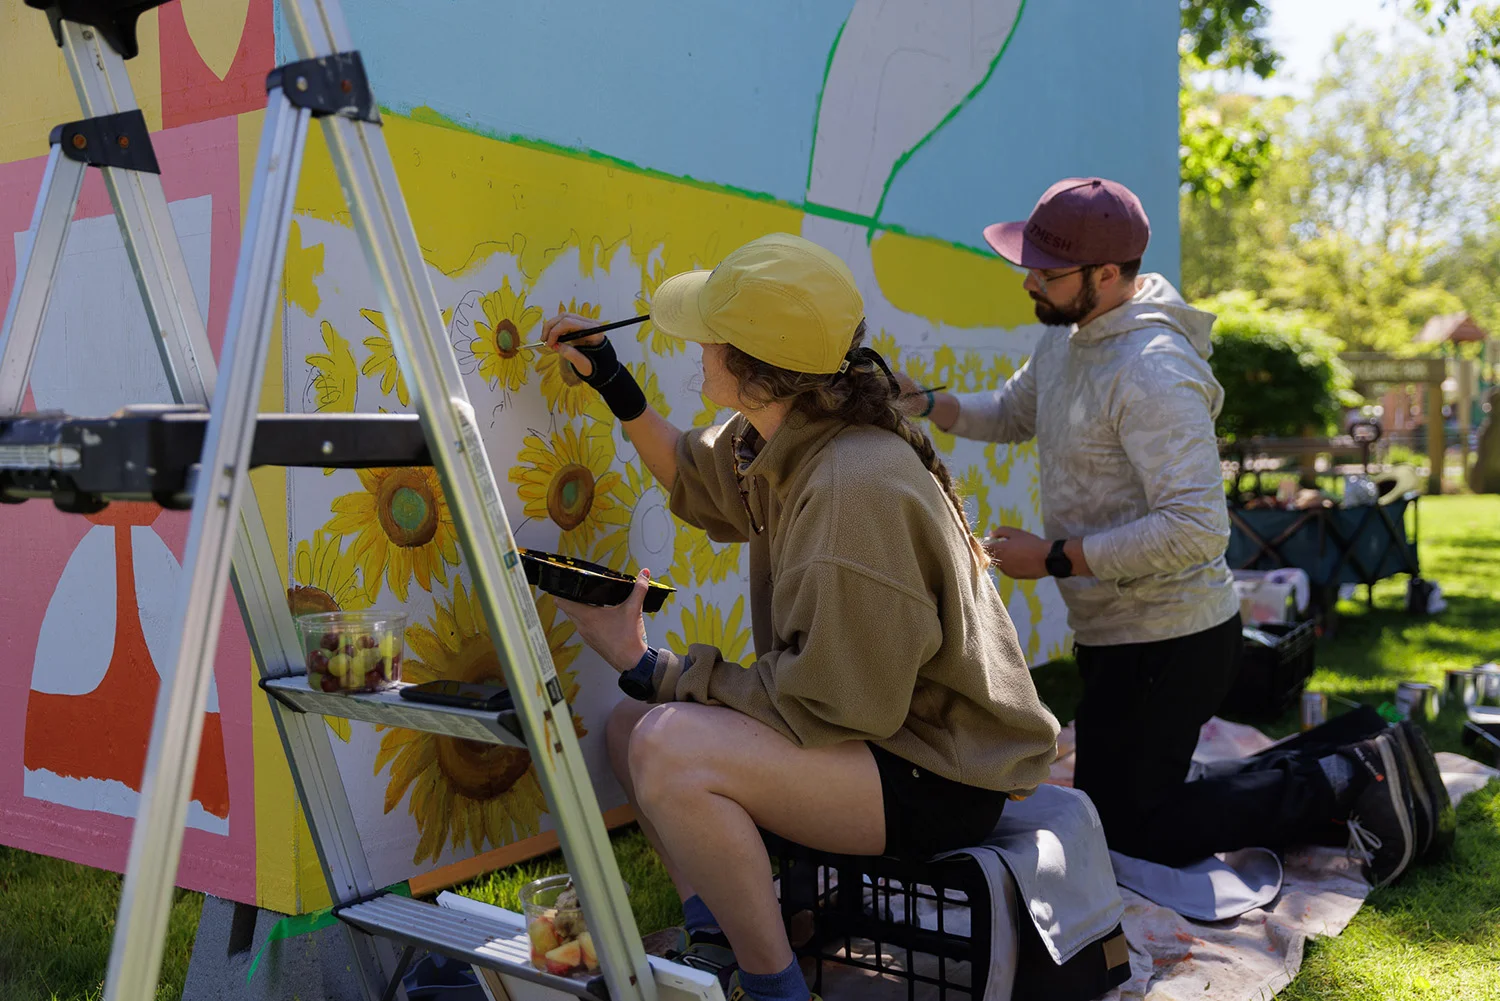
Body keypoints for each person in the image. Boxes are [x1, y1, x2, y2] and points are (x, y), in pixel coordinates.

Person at [540, 232, 1061, 1001]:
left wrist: (657, 669)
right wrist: (612, 381)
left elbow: (834, 708)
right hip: (881, 736)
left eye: (711, 337)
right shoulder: (793, 430)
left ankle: (775, 986)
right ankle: (717, 942)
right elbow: (696, 473)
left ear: (750, 369)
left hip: (935, 775)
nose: (699, 349)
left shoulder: (852, 491)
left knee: (666, 742)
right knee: (630, 727)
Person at [897, 177, 1450, 887]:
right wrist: (929, 404)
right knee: (1111, 811)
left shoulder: (1152, 369)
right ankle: (1361, 741)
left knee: (1134, 829)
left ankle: (1346, 774)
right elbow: (1012, 410)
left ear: (1106, 275)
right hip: (1114, 632)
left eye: (1046, 268)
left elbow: (1197, 528)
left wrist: (1056, 557)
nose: (1028, 278)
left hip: (1172, 638)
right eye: (1028, 260)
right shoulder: (1068, 334)